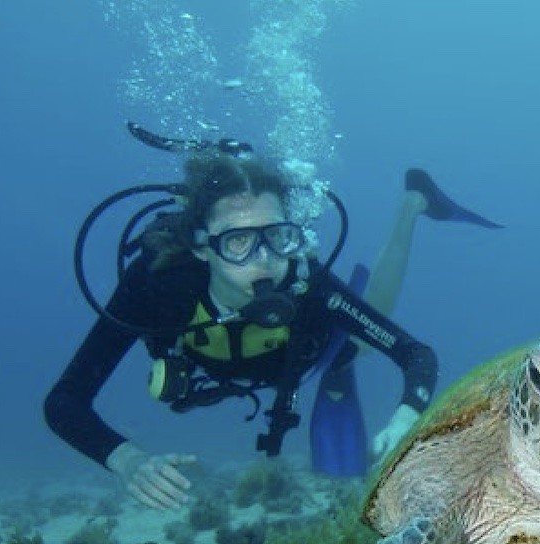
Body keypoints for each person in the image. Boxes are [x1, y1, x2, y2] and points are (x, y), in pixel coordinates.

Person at [46, 148, 499, 510]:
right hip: (214, 358)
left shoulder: (303, 280)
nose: (263, 260)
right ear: (201, 248)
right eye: (238, 241)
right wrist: (128, 461)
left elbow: (416, 355)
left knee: (357, 342)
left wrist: (405, 420)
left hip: (311, 352)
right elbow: (64, 402)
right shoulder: (159, 284)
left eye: (276, 236)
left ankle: (413, 205)